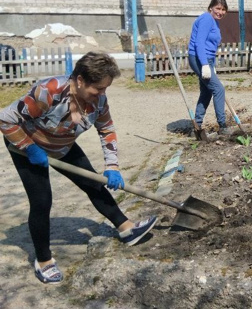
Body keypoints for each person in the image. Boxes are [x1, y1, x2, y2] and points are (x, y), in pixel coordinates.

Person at [0, 52, 157, 284]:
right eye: (98, 88)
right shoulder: (49, 91)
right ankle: (44, 261)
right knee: (42, 200)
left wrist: (112, 165)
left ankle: (126, 228)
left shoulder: (98, 101)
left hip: (62, 145)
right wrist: (29, 147)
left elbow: (107, 129)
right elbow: (5, 119)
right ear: (81, 80)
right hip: (26, 145)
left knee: (93, 182)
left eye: (105, 89)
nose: (102, 94)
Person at [187, 0, 231, 135]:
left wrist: (211, 66)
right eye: (218, 8)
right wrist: (205, 64)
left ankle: (196, 126)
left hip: (207, 59)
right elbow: (199, 43)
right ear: (211, 7)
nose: (220, 12)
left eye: (223, 9)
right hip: (199, 58)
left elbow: (209, 45)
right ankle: (222, 126)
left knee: (206, 92)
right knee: (219, 89)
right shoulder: (206, 19)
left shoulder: (214, 21)